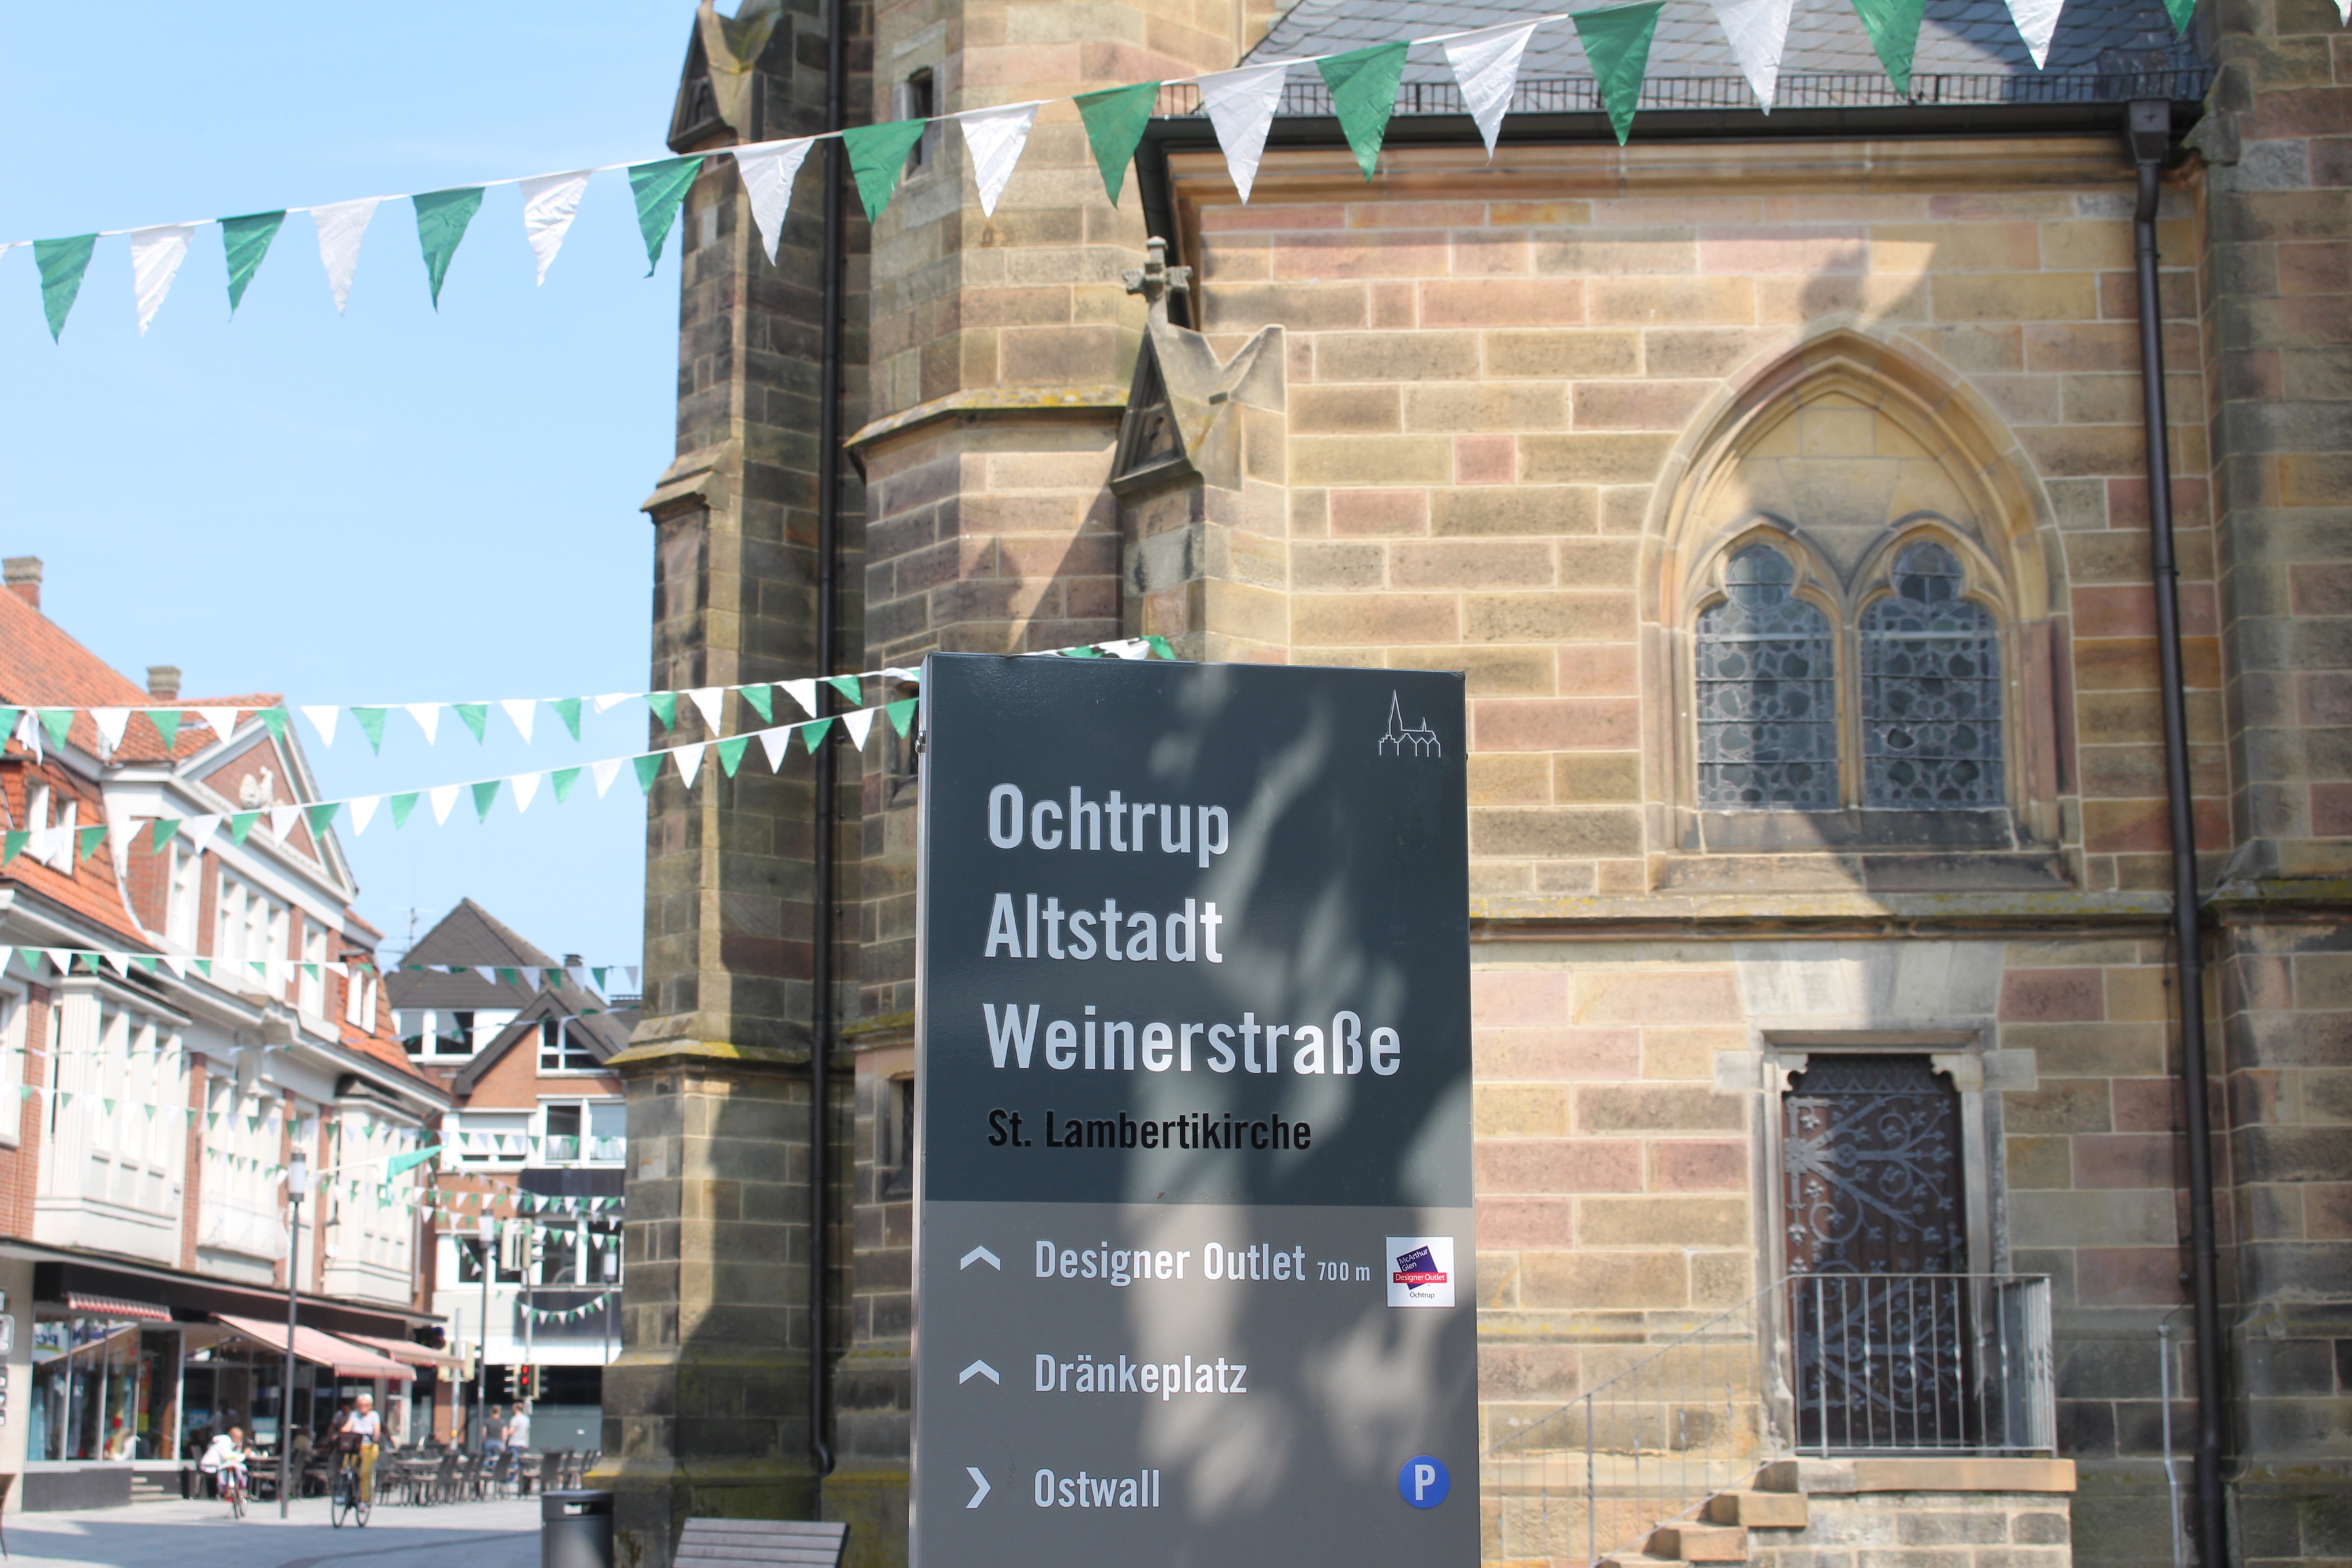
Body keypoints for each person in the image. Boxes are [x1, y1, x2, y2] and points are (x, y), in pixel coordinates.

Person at [199, 1425, 251, 1512]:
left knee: (234, 1467)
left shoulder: (229, 1442)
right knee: (233, 1468)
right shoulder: (224, 1442)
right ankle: (229, 1490)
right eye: (239, 1438)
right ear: (235, 1437)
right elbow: (226, 1456)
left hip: (217, 1465)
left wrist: (237, 1451)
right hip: (211, 1466)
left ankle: (235, 1489)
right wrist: (243, 1454)